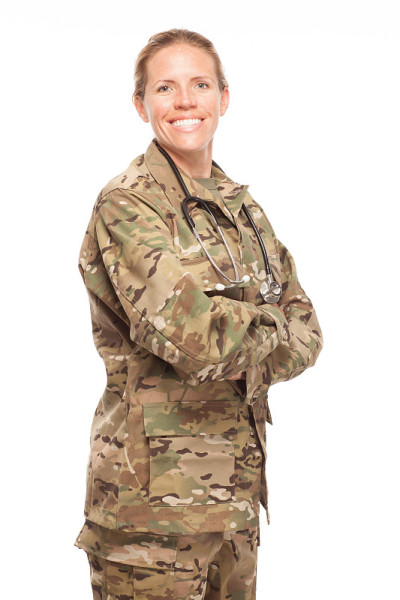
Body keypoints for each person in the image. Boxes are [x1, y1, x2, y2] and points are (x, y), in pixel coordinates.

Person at [74, 28, 323, 600]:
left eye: (200, 85)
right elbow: (198, 344)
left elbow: (309, 329)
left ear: (223, 98)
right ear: (141, 104)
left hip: (235, 506)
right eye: (165, 87)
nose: (185, 101)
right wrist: (265, 323)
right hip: (151, 520)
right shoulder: (129, 203)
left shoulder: (241, 207)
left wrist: (239, 327)